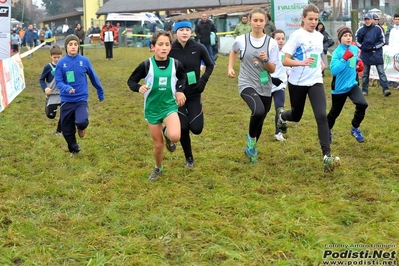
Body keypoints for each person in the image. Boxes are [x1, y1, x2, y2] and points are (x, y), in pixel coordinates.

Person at [277, 4, 340, 172]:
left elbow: (317, 55)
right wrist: (301, 63)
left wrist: (320, 64)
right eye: (310, 19)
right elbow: (285, 60)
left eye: (316, 19)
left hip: (315, 81)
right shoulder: (297, 36)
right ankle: (282, 116)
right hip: (297, 82)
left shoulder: (319, 36)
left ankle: (326, 156)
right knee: (296, 116)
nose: (313, 22)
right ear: (303, 18)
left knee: (321, 116)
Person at [127, 30, 187, 181]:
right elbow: (131, 81)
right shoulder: (146, 65)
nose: (164, 48)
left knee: (175, 136)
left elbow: (182, 78)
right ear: (153, 47)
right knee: (158, 145)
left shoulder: (176, 64)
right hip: (152, 109)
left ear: (170, 48)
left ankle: (168, 133)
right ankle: (158, 168)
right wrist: (138, 87)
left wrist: (180, 91)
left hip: (169, 106)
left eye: (167, 44)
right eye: (160, 44)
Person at [228, 8, 279, 163]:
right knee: (258, 111)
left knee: (261, 117)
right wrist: (230, 67)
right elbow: (233, 51)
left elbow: (272, 69)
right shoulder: (241, 40)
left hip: (264, 84)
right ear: (249, 21)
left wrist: (265, 60)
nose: (258, 24)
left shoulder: (272, 43)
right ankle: (250, 139)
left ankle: (252, 148)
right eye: (255, 20)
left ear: (265, 22)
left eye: (261, 21)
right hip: (246, 83)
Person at [168, 20, 214, 168]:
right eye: (181, 30)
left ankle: (167, 129)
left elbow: (210, 64)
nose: (185, 32)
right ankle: (189, 159)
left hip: (194, 92)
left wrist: (203, 81)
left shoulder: (198, 47)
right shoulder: (170, 49)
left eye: (187, 29)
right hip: (176, 94)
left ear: (191, 32)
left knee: (197, 129)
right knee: (183, 127)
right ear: (175, 33)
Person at [55, 35, 105, 155]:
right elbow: (58, 81)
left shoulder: (84, 61)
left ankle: (80, 128)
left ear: (78, 46)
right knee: (66, 129)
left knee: (82, 121)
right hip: (66, 100)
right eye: (70, 44)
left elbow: (94, 77)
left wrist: (100, 92)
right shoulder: (61, 63)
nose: (73, 47)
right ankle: (73, 148)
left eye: (75, 44)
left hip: (81, 99)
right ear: (66, 46)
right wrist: (67, 88)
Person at [328, 26, 368, 144]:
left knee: (362, 104)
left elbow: (353, 63)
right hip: (339, 87)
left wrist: (358, 63)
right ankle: (327, 129)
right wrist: (344, 58)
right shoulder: (337, 52)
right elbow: (334, 70)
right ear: (340, 38)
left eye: (350, 35)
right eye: (345, 36)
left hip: (352, 84)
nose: (348, 37)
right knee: (335, 112)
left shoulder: (354, 49)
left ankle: (355, 128)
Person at [355, 13, 391, 97]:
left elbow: (382, 41)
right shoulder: (360, 30)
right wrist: (363, 47)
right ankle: (364, 90)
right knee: (365, 74)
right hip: (366, 54)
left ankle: (385, 89)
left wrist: (374, 47)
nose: (367, 21)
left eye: (368, 19)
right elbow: (357, 41)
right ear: (364, 20)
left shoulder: (378, 29)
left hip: (377, 53)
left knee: (381, 72)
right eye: (365, 19)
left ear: (371, 19)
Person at [39, 45, 63, 135]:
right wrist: (45, 88)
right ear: (51, 56)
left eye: (58, 57)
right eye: (54, 57)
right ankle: (48, 107)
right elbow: (41, 79)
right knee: (51, 116)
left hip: (63, 94)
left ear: (62, 56)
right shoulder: (48, 67)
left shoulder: (65, 66)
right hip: (52, 94)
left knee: (64, 113)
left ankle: (59, 131)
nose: (56, 59)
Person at [271, 29, 290, 141]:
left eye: (283, 38)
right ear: (273, 39)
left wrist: (291, 73)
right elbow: (261, 70)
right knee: (263, 111)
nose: (281, 41)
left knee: (280, 108)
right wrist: (267, 81)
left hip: (280, 85)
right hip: (267, 85)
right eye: (278, 39)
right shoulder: (267, 52)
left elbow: (288, 68)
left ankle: (278, 133)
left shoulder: (286, 53)